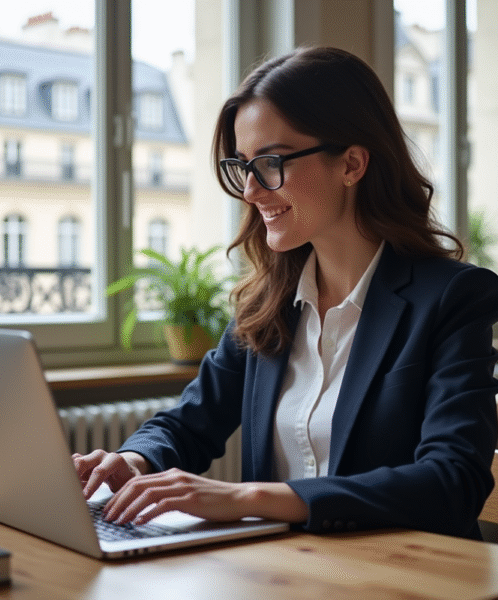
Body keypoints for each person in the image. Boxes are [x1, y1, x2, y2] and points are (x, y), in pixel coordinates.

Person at [73, 46, 498, 540]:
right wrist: (133, 460)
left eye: (270, 162)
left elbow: (452, 481)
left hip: (406, 580)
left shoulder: (452, 298)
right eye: (243, 166)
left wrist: (248, 497)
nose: (251, 191)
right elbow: (190, 421)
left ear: (352, 164)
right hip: (282, 574)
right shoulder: (268, 303)